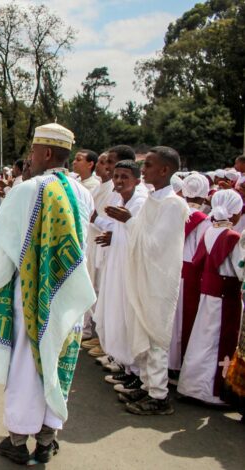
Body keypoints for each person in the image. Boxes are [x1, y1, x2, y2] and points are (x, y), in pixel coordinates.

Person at [0, 123, 94, 465]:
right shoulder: (81, 191)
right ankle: (46, 440)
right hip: (67, 291)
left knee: (26, 363)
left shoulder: (30, 189)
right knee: (57, 360)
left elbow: (1, 237)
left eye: (33, 151)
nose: (30, 157)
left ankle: (16, 441)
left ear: (47, 153)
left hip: (32, 293)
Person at [120, 146, 189, 415]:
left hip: (160, 279)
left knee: (156, 338)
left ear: (164, 170)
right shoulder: (152, 199)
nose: (144, 169)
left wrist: (129, 222)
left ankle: (159, 396)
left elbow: (156, 246)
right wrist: (131, 222)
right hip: (145, 276)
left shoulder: (173, 205)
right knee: (144, 333)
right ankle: (149, 385)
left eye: (148, 165)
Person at [177, 190, 243, 405]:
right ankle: (212, 393)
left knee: (202, 340)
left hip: (208, 293)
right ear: (235, 213)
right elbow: (240, 270)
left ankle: (192, 385)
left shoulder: (211, 231)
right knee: (219, 342)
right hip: (226, 295)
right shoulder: (232, 237)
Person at [91, 161, 147, 384]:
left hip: (131, 271)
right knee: (116, 316)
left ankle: (138, 372)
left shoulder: (140, 202)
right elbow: (118, 229)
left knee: (129, 319)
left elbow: (144, 236)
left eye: (125, 177)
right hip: (116, 265)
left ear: (137, 180)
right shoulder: (121, 198)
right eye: (116, 177)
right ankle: (127, 367)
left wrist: (119, 226)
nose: (119, 181)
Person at [168, 173, 212, 375]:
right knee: (186, 318)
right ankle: (179, 362)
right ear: (204, 196)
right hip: (192, 270)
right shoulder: (204, 220)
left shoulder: (176, 212)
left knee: (171, 318)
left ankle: (168, 360)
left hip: (172, 267)